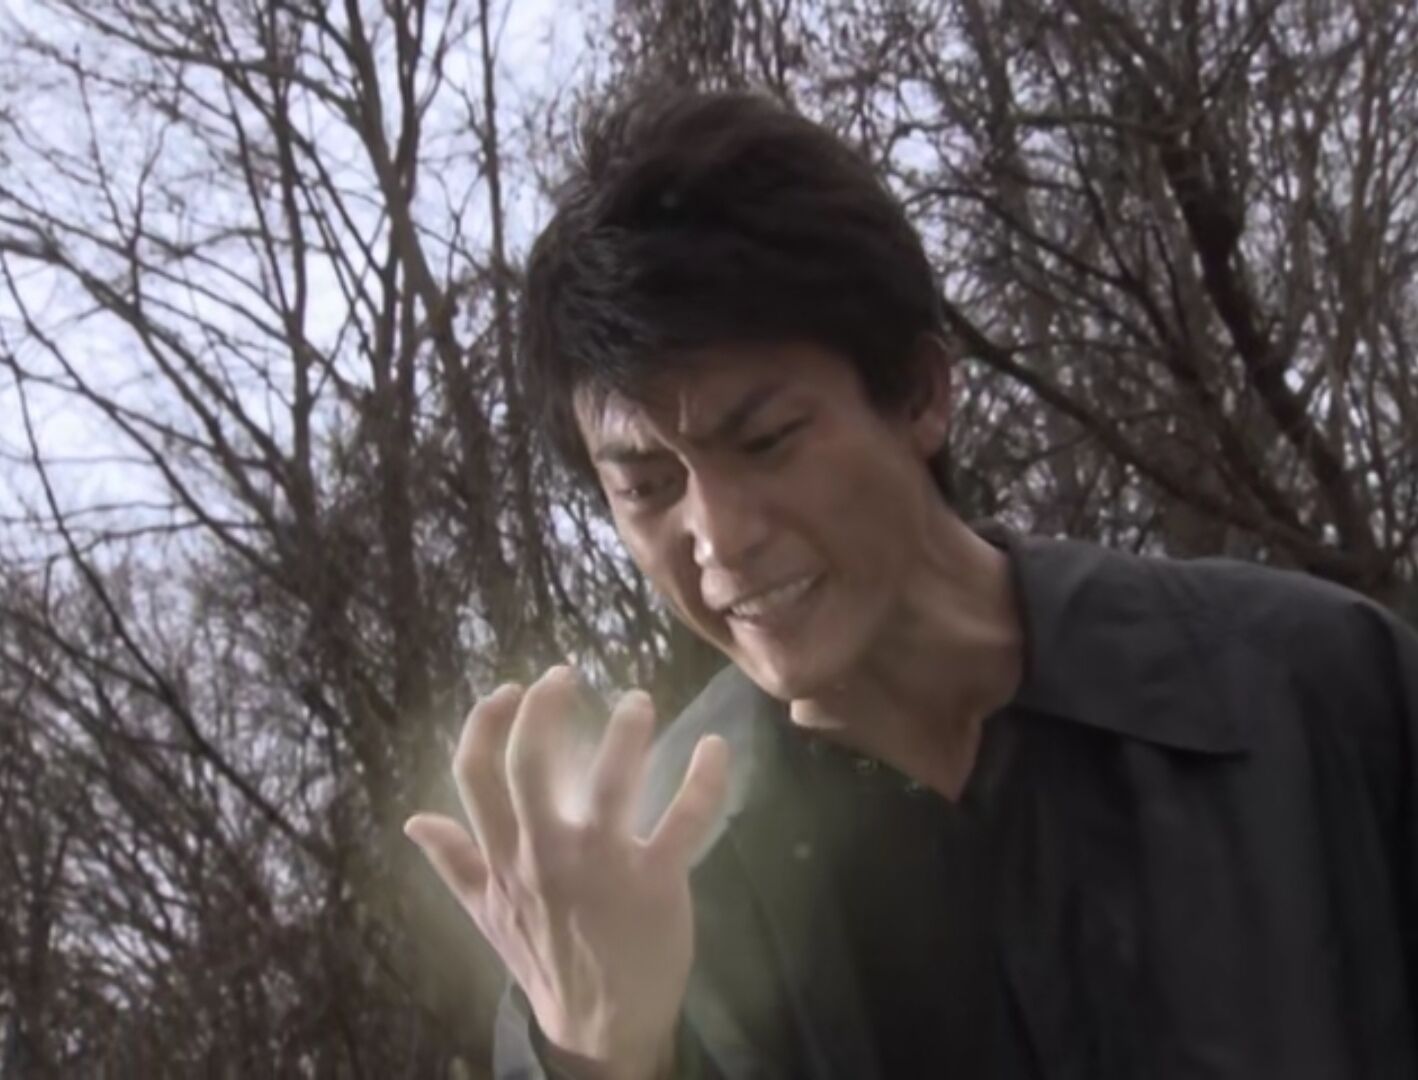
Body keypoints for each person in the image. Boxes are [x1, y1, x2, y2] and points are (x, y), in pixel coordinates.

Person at [403, 87, 1418, 1079]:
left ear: (922, 394)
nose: (718, 535)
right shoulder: (636, 902)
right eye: (647, 487)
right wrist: (607, 1058)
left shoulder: (1314, 692)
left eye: (767, 440)